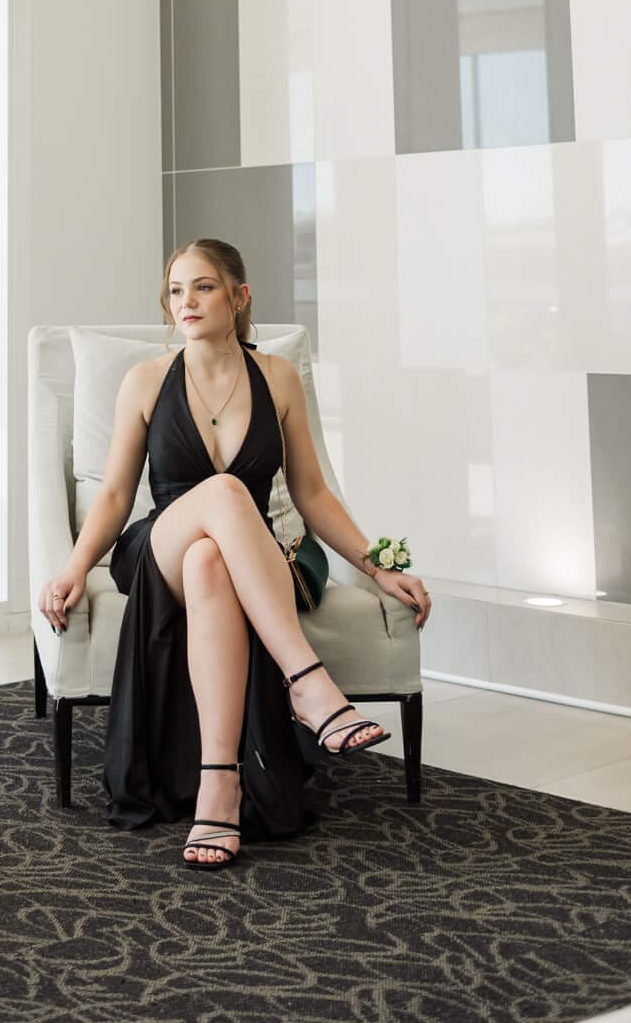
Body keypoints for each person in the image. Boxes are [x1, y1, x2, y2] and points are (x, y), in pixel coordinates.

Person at [37, 238, 431, 870]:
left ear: (239, 296)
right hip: (158, 544)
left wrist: (377, 565)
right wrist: (74, 566)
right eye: (175, 290)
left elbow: (311, 493)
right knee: (216, 499)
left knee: (210, 562)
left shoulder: (275, 377)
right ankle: (308, 683)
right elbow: (113, 494)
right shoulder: (144, 381)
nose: (185, 302)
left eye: (203, 287)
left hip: (249, 556)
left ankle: (218, 788)